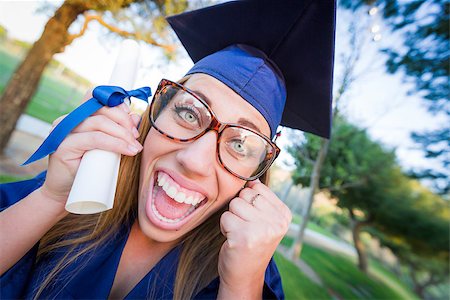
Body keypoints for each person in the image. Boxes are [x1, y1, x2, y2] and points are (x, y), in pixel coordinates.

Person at [0, 0, 336, 299]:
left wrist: (241, 285)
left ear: (254, 176)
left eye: (239, 144)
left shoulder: (249, 272)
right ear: (156, 111)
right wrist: (51, 200)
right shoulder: (78, 188)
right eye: (189, 113)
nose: (194, 161)